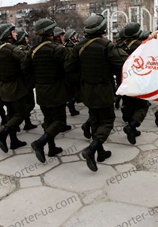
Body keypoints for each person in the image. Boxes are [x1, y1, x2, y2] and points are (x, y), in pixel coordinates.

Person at [65, 14, 129, 172]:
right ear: (102, 28)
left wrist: (83, 78)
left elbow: (68, 68)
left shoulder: (78, 46)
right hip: (103, 90)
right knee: (107, 120)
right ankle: (91, 149)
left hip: (87, 91)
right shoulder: (107, 46)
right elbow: (125, 62)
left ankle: (100, 152)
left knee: (95, 120)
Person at [22, 18, 71, 163]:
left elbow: (25, 69)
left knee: (48, 120)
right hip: (56, 91)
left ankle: (51, 148)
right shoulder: (57, 49)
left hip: (41, 91)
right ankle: (40, 143)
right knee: (60, 121)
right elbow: (69, 67)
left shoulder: (33, 50)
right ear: (50, 32)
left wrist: (36, 82)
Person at [0, 24, 27, 153]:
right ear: (8, 35)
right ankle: (3, 133)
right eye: (14, 32)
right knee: (22, 113)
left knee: (10, 114)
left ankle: (14, 140)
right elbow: (25, 62)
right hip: (15, 86)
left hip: (3, 87)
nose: (16, 35)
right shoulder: (12, 49)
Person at [119, 22, 150, 144]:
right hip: (139, 81)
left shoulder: (120, 46)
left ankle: (132, 126)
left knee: (128, 103)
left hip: (124, 80)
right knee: (142, 105)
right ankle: (131, 126)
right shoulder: (143, 46)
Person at [16, 30, 37, 131]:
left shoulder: (16, 49)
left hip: (21, 81)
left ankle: (27, 122)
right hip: (25, 81)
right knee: (29, 104)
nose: (27, 39)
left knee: (26, 104)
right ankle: (15, 123)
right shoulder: (22, 50)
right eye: (25, 37)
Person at [64, 29, 80, 116]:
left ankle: (72, 107)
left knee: (72, 92)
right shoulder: (73, 48)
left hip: (69, 74)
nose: (76, 38)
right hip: (75, 74)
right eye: (74, 36)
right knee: (78, 92)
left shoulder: (65, 47)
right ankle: (71, 103)